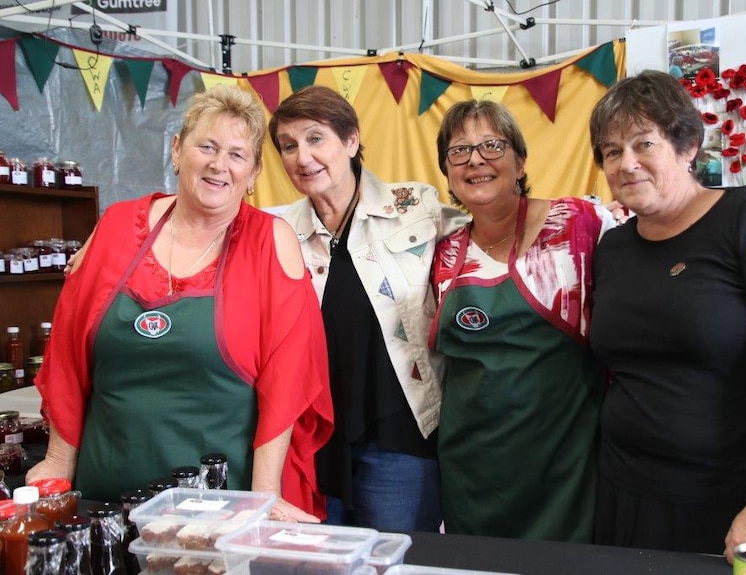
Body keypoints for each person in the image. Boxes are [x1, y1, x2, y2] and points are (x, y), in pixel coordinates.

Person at [26, 84, 333, 522]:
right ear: (176, 149)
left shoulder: (270, 241)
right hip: (104, 501)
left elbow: (288, 379)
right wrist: (57, 460)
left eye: (236, 154)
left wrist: (265, 495)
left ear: (254, 172)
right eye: (206, 146)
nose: (218, 164)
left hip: (220, 511)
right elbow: (66, 359)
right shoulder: (115, 227)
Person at [587, 69, 746, 563]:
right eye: (612, 151)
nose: (627, 163)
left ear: (686, 147)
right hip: (630, 499)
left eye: (644, 143)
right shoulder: (613, 248)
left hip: (741, 505)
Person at [267, 85, 469, 532]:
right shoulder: (276, 230)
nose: (303, 157)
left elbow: (489, 234)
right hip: (312, 440)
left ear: (352, 140)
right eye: (289, 145)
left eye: (316, 138)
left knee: (393, 562)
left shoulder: (416, 206)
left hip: (398, 436)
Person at [429, 99, 616, 542]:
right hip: (470, 473)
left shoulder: (579, 225)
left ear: (520, 159)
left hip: (562, 470)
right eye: (459, 151)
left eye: (492, 145)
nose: (475, 160)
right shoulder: (441, 253)